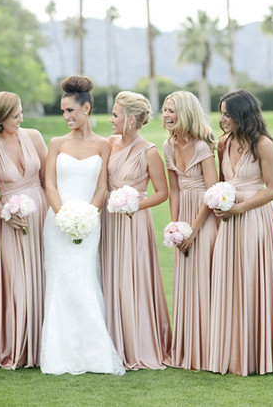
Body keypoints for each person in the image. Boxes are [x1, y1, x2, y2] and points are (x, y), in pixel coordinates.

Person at [40, 76, 124, 376]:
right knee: (60, 281)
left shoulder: (103, 145)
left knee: (85, 280)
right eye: (63, 111)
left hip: (89, 223)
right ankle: (58, 354)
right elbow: (49, 183)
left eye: (70, 111)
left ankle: (94, 354)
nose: (66, 116)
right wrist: (62, 216)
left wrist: (89, 216)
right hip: (57, 223)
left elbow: (102, 187)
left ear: (86, 108)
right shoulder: (56, 143)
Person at [209, 89, 273, 375]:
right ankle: (232, 354)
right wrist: (220, 202)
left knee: (252, 278)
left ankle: (257, 354)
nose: (222, 119)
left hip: (254, 218)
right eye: (221, 113)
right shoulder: (224, 143)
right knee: (228, 279)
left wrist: (240, 208)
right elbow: (222, 181)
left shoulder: (263, 145)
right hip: (229, 220)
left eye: (227, 114)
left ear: (242, 114)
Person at [101, 90, 171, 370]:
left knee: (134, 277)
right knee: (110, 276)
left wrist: (135, 205)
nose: (111, 120)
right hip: (110, 220)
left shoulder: (149, 151)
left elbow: (162, 193)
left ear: (130, 119)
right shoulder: (109, 143)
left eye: (115, 115)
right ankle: (111, 340)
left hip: (134, 221)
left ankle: (137, 343)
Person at [0, 91, 48, 369]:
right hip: (10, 217)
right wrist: (2, 212)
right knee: (16, 280)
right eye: (15, 115)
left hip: (41, 213)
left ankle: (44, 345)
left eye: (20, 113)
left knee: (44, 275)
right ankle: (16, 345)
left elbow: (48, 178)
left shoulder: (34, 136)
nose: (21, 118)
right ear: (0, 118)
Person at [162, 91, 219, 370]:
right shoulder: (167, 145)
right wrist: (176, 227)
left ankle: (209, 350)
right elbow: (173, 189)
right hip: (184, 215)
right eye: (165, 109)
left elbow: (213, 192)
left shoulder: (202, 147)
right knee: (185, 279)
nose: (166, 115)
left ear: (185, 113)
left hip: (204, 217)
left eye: (171, 110)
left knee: (204, 278)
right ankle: (187, 348)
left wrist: (194, 230)